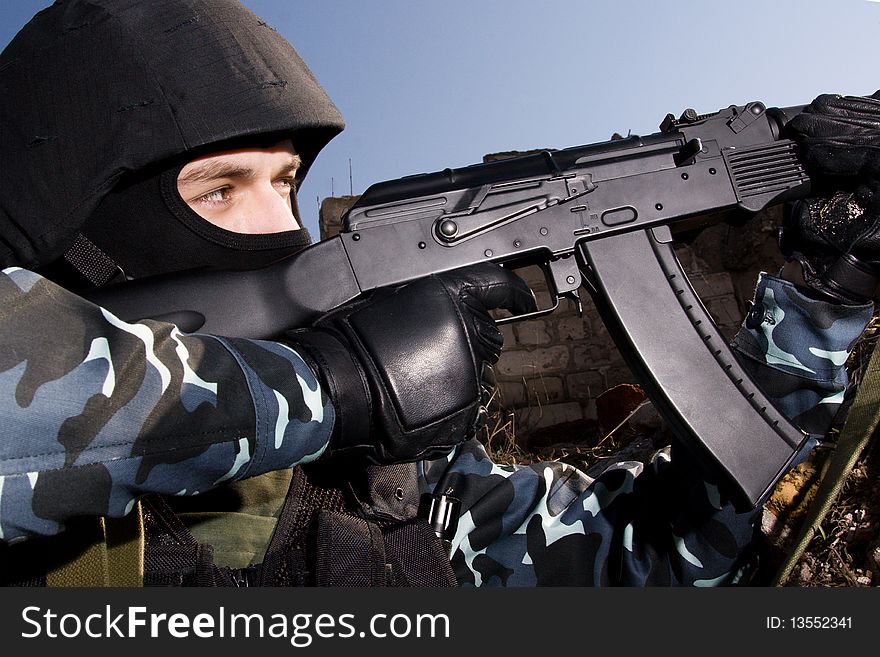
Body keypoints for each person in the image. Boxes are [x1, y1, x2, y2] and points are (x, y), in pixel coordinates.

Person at [0, 0, 877, 587]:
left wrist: (823, 303)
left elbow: (660, 561)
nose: (281, 229)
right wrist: (332, 384)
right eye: (222, 190)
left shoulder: (391, 494)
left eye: (289, 185)